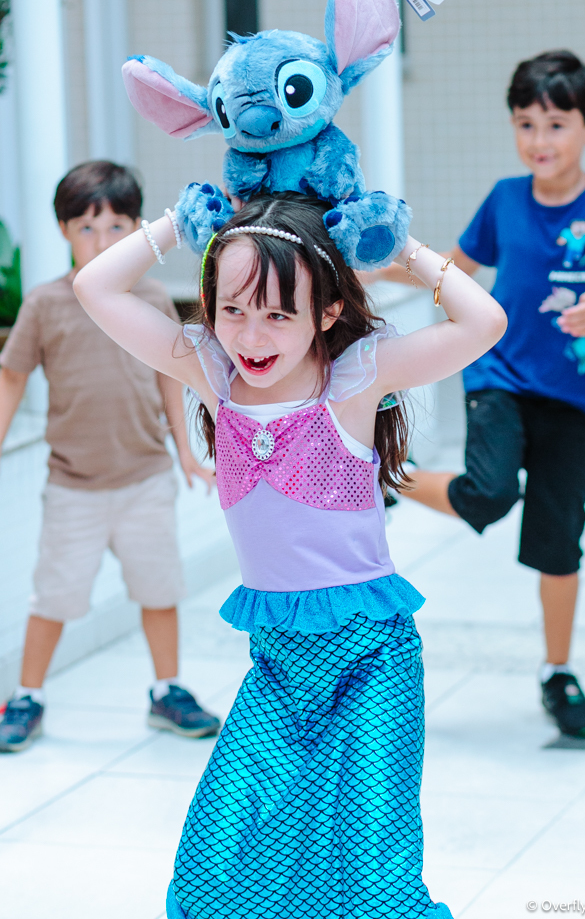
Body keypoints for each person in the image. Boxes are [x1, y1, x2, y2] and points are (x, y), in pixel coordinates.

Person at [72, 189, 506, 919]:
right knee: (214, 874)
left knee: (371, 880)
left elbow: (483, 321)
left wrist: (401, 251)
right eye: (232, 309)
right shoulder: (212, 373)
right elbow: (94, 287)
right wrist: (178, 225)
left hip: (371, 666)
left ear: (325, 313)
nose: (251, 334)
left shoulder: (354, 380)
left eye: (278, 313)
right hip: (275, 671)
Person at [371, 50, 585, 739]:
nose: (538, 141)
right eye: (524, 124)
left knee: (559, 543)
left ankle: (555, 672)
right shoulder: (504, 199)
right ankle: (387, 477)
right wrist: (368, 270)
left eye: (554, 125)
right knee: (489, 492)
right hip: (497, 376)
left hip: (573, 396)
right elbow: (455, 272)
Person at [0, 161, 221, 753]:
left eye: (117, 227)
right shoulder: (46, 304)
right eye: (87, 229)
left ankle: (167, 690)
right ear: (64, 231)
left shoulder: (149, 298)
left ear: (138, 230)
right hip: (72, 486)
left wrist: (188, 455)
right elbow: (12, 378)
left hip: (145, 478)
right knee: (54, 595)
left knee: (159, 588)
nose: (102, 242)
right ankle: (27, 698)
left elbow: (171, 381)